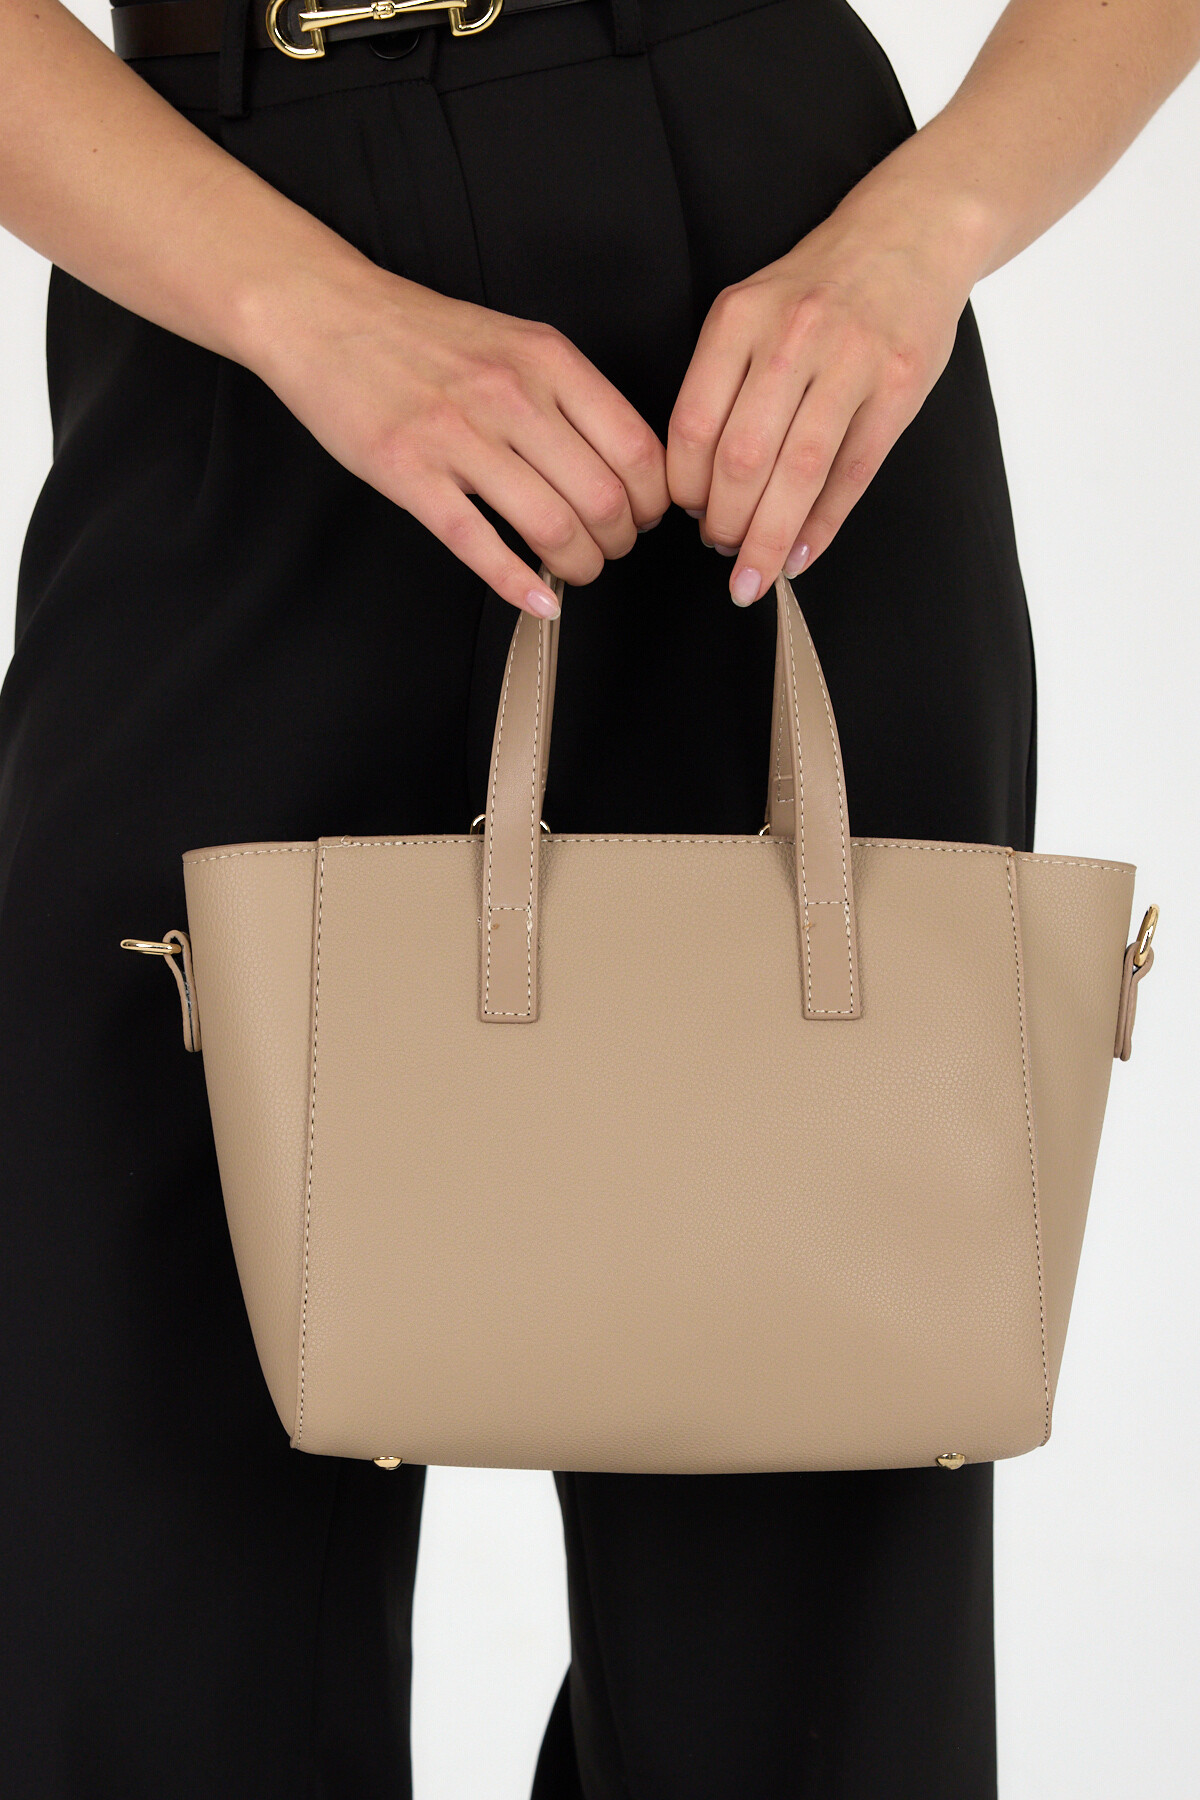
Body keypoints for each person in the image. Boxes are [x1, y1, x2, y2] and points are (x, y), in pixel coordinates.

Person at [0, 0, 1195, 1793]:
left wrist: (924, 231)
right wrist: (304, 309)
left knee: (798, 1664)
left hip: (779, 335)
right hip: (211, 287)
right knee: (130, 1584)